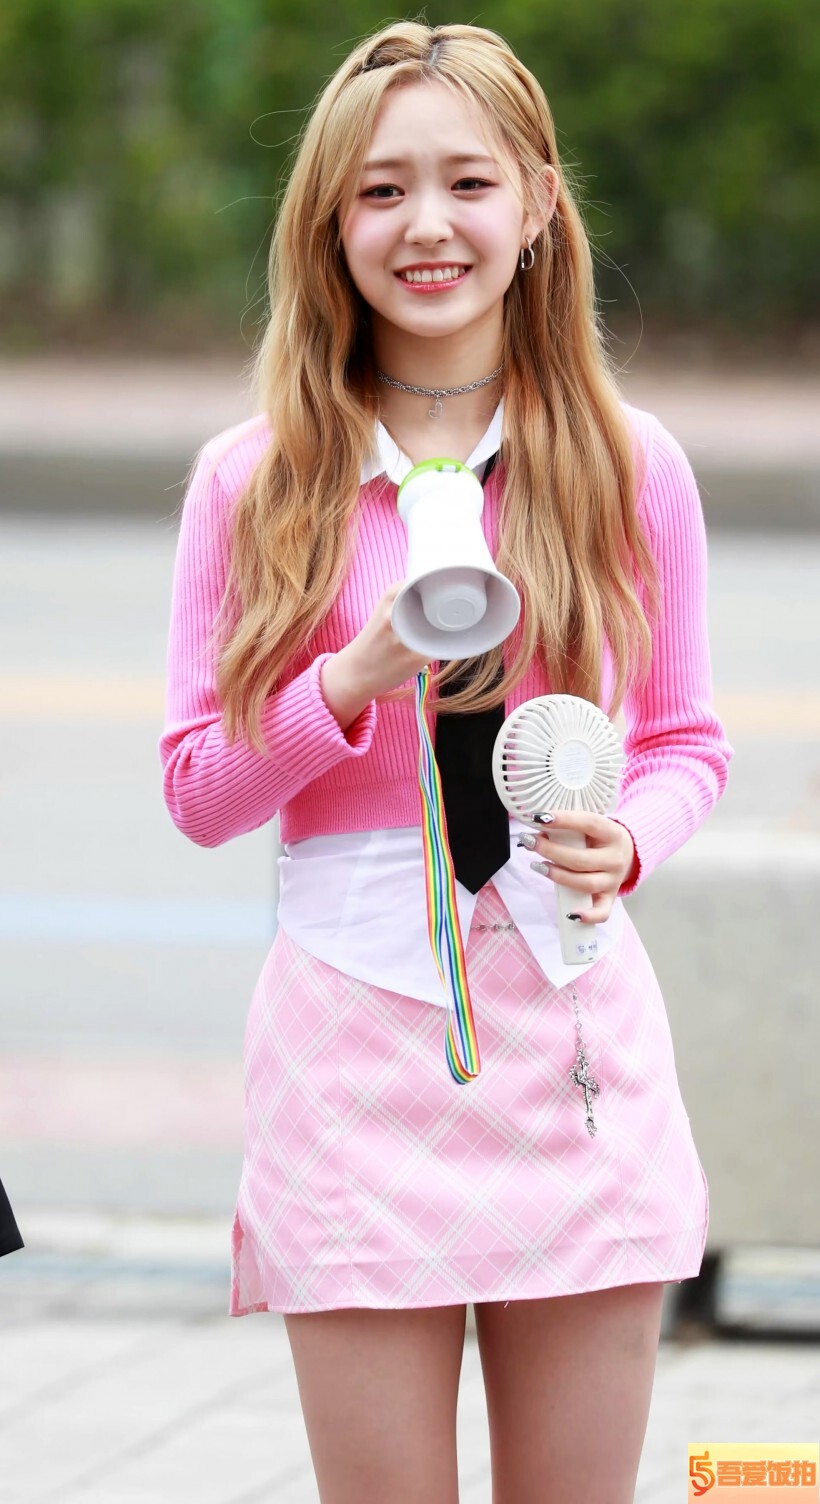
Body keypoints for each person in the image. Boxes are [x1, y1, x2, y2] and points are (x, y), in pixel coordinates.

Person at [159, 20, 734, 1504]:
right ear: (329, 223)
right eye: (381, 190)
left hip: (575, 1040)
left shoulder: (629, 464)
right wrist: (346, 680)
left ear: (537, 204)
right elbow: (199, 794)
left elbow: (684, 743)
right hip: (347, 1049)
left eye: (468, 183)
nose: (427, 225)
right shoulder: (253, 480)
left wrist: (632, 838)